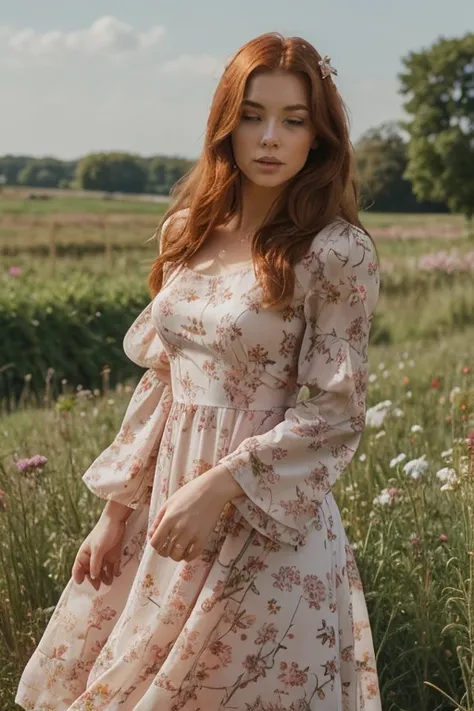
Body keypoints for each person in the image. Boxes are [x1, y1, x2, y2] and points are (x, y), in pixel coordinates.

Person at [16, 32, 382, 711]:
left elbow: (335, 410)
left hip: (266, 518)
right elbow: (162, 383)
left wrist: (221, 484)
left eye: (293, 120)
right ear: (225, 122)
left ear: (318, 136)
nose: (269, 137)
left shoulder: (336, 251)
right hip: (165, 512)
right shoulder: (187, 230)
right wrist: (114, 514)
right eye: (252, 114)